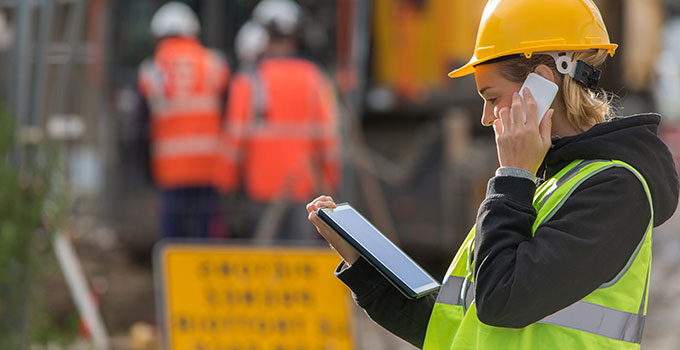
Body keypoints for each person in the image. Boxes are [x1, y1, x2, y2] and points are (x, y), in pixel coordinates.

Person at [306, 0, 679, 349]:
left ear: (543, 84)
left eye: (492, 96)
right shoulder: (544, 184)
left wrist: (513, 174)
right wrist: (362, 267)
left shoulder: (615, 189)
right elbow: (453, 331)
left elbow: (500, 301)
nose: (486, 117)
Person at [215, 0, 340, 240]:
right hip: (303, 187)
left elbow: (234, 139)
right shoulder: (314, 78)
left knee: (266, 260)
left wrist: (226, 185)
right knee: (300, 261)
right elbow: (328, 139)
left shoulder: (248, 80)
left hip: (261, 187)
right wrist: (330, 182)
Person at [136, 2, 230, 238]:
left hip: (170, 170)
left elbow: (138, 125)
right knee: (204, 237)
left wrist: (143, 169)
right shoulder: (215, 64)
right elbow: (230, 113)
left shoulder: (151, 70)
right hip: (209, 167)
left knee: (173, 239)